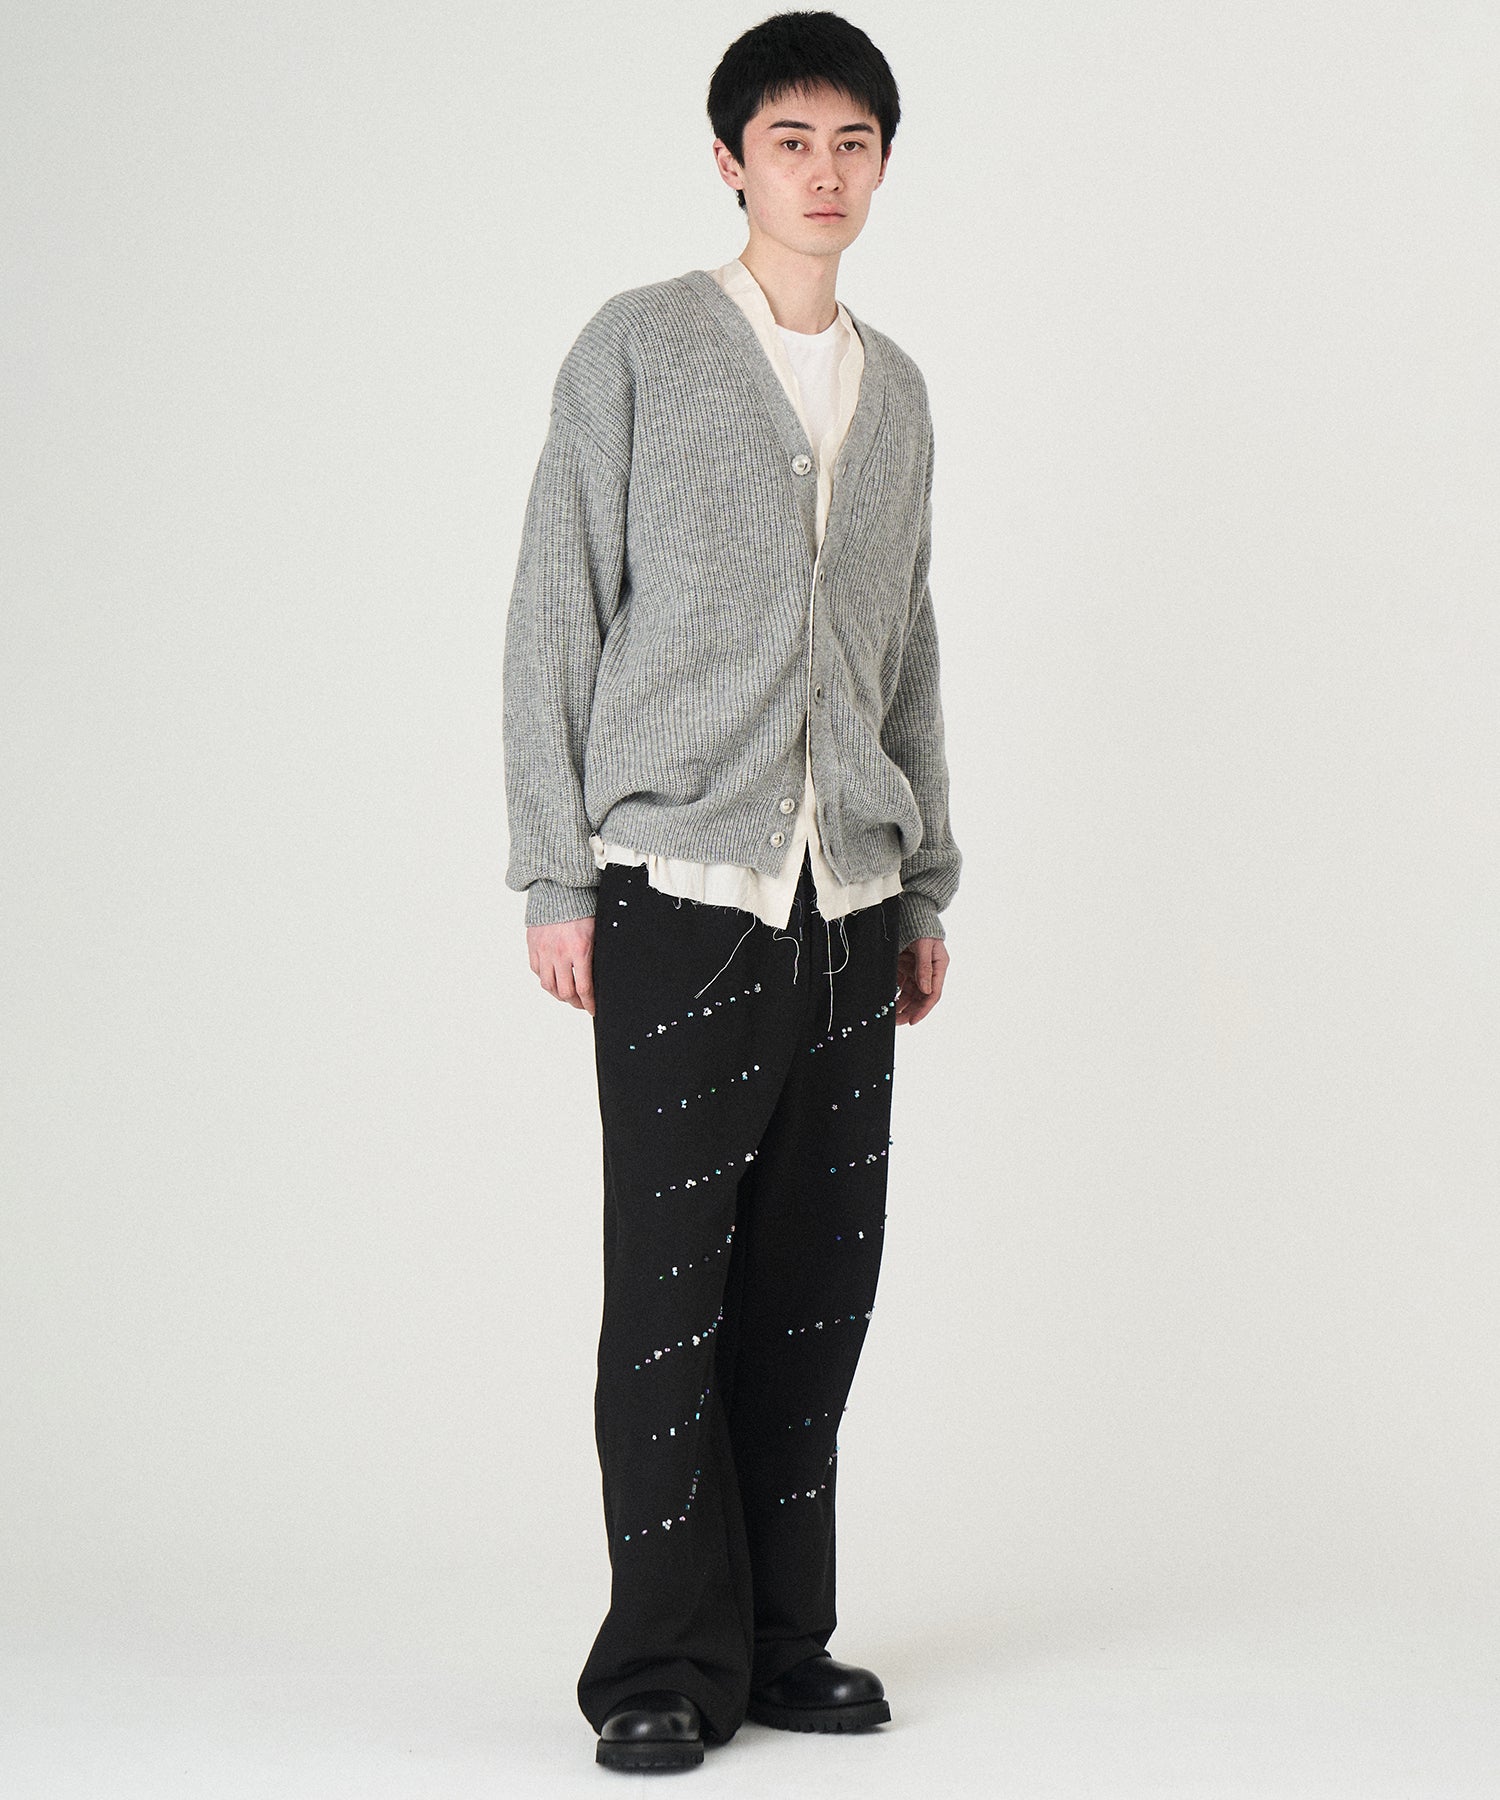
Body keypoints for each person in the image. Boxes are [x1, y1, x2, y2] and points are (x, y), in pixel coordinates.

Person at [502, 9, 961, 1774]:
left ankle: (781, 1645)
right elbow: (558, 607)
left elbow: (907, 647)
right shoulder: (638, 348)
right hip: (680, 889)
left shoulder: (897, 392)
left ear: (883, 164)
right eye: (790, 140)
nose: (823, 172)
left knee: (816, 1292)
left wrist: (922, 883)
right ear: (729, 161)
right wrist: (555, 868)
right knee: (671, 1299)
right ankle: (658, 1667)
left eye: (853, 142)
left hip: (849, 903)